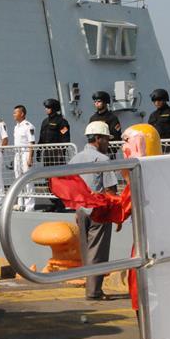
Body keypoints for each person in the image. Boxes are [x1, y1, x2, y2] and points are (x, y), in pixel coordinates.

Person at [69, 122, 119, 300]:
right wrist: (118, 214)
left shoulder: (76, 158)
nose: (108, 143)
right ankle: (94, 291)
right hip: (99, 210)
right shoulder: (103, 160)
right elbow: (111, 190)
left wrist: (78, 207)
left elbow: (71, 185)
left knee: (86, 250)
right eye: (106, 139)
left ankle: (90, 289)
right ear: (98, 139)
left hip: (81, 210)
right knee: (97, 251)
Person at [12, 105, 37, 212]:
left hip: (26, 153)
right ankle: (20, 203)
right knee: (18, 178)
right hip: (17, 154)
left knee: (27, 180)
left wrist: (30, 157)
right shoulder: (16, 127)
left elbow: (31, 142)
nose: (13, 115)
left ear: (22, 114)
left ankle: (30, 205)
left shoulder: (28, 126)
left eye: (15, 113)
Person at [38, 98, 70, 166]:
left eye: (48, 107)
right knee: (47, 174)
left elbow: (65, 138)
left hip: (57, 152)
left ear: (54, 108)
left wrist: (62, 153)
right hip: (47, 153)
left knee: (57, 174)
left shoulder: (61, 122)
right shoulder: (45, 122)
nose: (46, 109)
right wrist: (39, 151)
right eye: (46, 107)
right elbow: (41, 138)